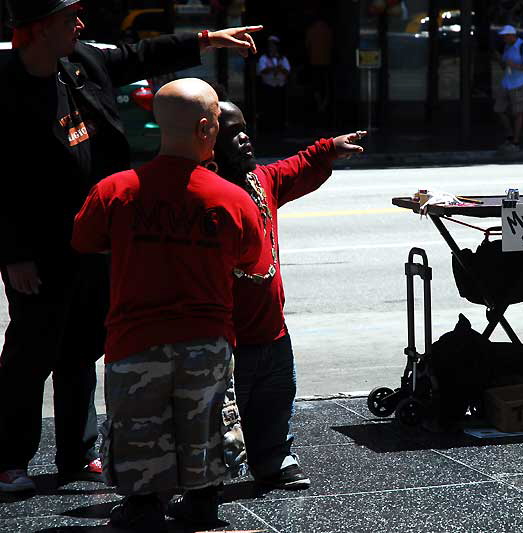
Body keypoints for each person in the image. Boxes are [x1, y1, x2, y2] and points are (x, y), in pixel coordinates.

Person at [0, 0, 262, 494]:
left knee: (82, 348)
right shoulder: (8, 87)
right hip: (38, 247)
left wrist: (207, 40)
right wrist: (12, 253)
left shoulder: (80, 61)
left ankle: (77, 453)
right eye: (66, 18)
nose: (79, 25)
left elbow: (139, 55)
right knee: (30, 350)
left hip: (97, 237)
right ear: (37, 29)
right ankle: (9, 457)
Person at [71, 78, 263, 532]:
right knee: (206, 426)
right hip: (207, 341)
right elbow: (252, 261)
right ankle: (201, 504)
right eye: (216, 120)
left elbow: (84, 240)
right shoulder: (232, 198)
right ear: (204, 129)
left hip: (135, 339)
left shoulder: (114, 191)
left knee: (138, 428)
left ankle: (142, 506)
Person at [213, 99, 366, 490]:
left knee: (276, 401)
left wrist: (330, 148)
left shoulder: (259, 181)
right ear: (205, 138)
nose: (244, 138)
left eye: (244, 128)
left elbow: (295, 168)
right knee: (224, 413)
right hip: (227, 336)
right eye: (231, 132)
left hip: (271, 329)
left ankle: (275, 458)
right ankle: (209, 479)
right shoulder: (202, 192)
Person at [494, 25, 523, 152]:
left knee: (517, 113)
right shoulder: (507, 46)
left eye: (506, 36)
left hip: (518, 83)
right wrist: (499, 60)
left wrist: (515, 65)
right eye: (503, 36)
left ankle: (515, 142)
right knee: (498, 109)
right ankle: (510, 135)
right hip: (507, 82)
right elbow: (505, 65)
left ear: (512, 35)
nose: (504, 39)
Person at [257, 35, 291, 133]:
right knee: (268, 108)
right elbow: (262, 70)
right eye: (271, 46)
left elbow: (287, 70)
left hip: (280, 86)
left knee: (280, 108)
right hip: (268, 86)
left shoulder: (282, 58)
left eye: (274, 46)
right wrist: (274, 69)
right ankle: (268, 128)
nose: (272, 48)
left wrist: (280, 69)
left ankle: (280, 127)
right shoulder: (264, 58)